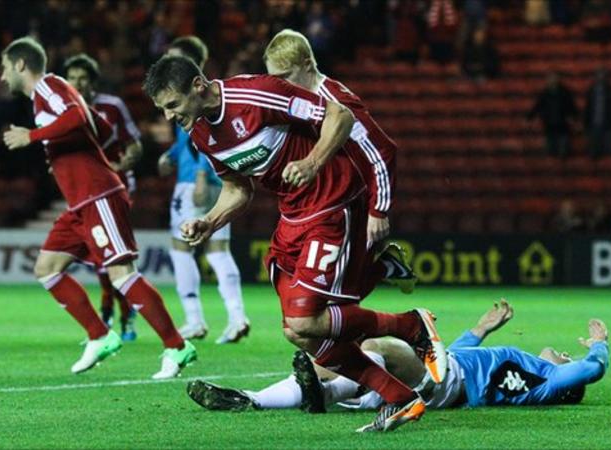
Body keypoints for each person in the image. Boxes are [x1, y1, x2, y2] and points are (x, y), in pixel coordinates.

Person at [142, 54, 448, 432]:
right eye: (163, 110)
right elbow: (238, 189)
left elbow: (340, 116)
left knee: (306, 318)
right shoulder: (200, 133)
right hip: (292, 216)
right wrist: (209, 221)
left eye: (172, 105)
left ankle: (409, 325)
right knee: (299, 333)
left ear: (198, 86)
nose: (169, 117)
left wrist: (313, 162)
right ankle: (400, 397)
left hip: (332, 202)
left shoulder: (256, 95)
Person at [0, 37, 196, 379]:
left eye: (4, 68)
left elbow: (78, 117)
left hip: (97, 196)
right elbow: (99, 125)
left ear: (20, 65)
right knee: (47, 268)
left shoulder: (48, 86)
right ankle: (100, 335)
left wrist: (33, 137)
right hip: (80, 202)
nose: (2, 77)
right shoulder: (48, 95)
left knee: (122, 275)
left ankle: (177, 346)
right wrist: (74, 153)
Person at [186, 300, 609, 417]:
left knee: (376, 346)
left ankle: (334, 393)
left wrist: (599, 345)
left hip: (451, 385)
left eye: (567, 358)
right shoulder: (526, 372)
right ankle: (254, 398)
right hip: (448, 370)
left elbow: (589, 370)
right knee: (335, 359)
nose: (565, 353)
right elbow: (459, 354)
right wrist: (482, 329)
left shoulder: (544, 380)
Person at [262, 29, 406, 261]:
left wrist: (378, 210)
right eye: (274, 80)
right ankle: (387, 266)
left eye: (285, 76)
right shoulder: (300, 102)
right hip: (325, 206)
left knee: (331, 290)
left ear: (307, 64)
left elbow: (382, 149)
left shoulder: (337, 102)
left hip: (350, 206)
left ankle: (385, 266)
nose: (279, 86)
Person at [161, 36, 250, 344]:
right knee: (218, 250)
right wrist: (170, 156)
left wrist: (198, 175)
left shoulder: (188, 97)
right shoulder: (199, 96)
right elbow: (188, 142)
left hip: (195, 182)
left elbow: (203, 137)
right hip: (219, 181)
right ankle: (237, 316)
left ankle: (194, 319)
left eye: (172, 58)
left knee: (180, 248)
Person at [64, 52, 142, 341]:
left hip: (116, 189)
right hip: (85, 193)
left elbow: (135, 144)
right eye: (72, 78)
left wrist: (124, 164)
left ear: (93, 81)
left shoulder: (112, 106)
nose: (77, 83)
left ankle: (122, 317)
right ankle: (113, 314)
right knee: (101, 258)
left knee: (114, 256)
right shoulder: (64, 111)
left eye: (83, 78)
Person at [527, 72, 578, 158]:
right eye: (550, 79)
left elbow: (571, 106)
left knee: (563, 149)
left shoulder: (565, 92)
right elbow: (538, 106)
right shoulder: (544, 93)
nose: (552, 81)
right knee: (551, 149)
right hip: (549, 124)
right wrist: (530, 117)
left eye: (554, 79)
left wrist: (575, 118)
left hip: (562, 124)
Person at [584, 67, 611, 159]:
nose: (601, 78)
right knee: (595, 152)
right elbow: (587, 109)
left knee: (610, 152)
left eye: (603, 76)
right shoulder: (591, 91)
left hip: (610, 126)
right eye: (599, 76)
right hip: (594, 125)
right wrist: (586, 124)